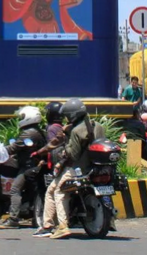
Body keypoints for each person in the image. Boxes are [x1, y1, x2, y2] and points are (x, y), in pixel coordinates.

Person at [34, 98, 105, 239]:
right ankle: (110, 222)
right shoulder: (98, 126)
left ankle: (60, 226)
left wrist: (63, 152)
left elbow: (73, 154)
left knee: (57, 191)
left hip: (78, 169)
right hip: (97, 167)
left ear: (72, 115)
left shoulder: (76, 131)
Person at [0, 106, 47, 229]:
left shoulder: (28, 133)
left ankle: (13, 219)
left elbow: (14, 148)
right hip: (32, 164)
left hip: (29, 167)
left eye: (23, 117)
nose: (21, 119)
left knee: (14, 189)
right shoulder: (35, 131)